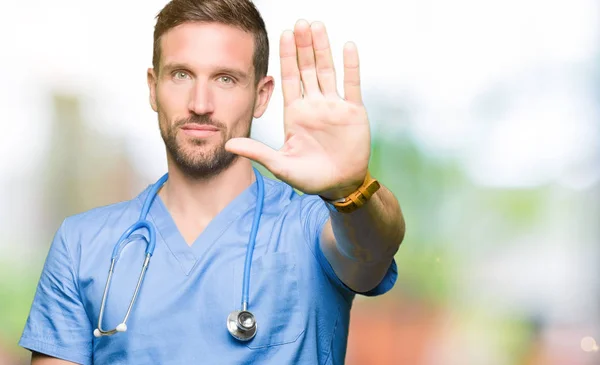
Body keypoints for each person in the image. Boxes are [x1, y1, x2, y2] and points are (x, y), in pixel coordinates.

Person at [19, 0, 406, 364]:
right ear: (153, 87)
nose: (200, 102)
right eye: (181, 74)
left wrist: (350, 189)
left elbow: (373, 247)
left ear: (261, 95)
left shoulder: (311, 227)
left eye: (225, 79)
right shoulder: (82, 245)